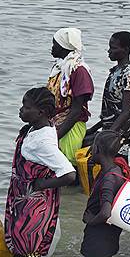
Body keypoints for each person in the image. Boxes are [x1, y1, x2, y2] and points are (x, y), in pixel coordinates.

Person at [4, 87, 76, 257]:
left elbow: (69, 175)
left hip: (33, 205)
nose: (21, 110)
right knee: (23, 244)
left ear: (41, 112)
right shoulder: (39, 127)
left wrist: (42, 184)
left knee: (30, 248)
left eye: (26, 107)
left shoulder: (42, 142)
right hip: (25, 198)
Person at [81, 130, 130, 257]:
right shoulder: (114, 169)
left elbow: (105, 213)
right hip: (106, 233)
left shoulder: (109, 178)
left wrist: (91, 221)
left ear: (97, 149)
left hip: (100, 232)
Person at [47, 28, 94, 163]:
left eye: (54, 44)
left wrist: (58, 135)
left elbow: (76, 110)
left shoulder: (78, 70)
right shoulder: (60, 68)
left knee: (67, 167)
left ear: (63, 47)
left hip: (70, 127)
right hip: (56, 125)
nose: (52, 47)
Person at [95, 31, 130, 159]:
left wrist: (108, 134)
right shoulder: (116, 71)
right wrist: (94, 130)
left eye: (113, 48)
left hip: (119, 133)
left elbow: (126, 111)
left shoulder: (128, 73)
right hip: (110, 129)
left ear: (125, 50)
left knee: (118, 164)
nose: (109, 51)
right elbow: (111, 108)